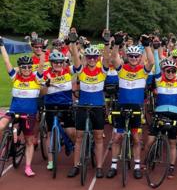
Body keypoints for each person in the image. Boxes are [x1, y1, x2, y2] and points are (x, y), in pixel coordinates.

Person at [107, 33, 154, 180]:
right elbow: (114, 58)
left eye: (136, 56)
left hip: (136, 108)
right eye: (131, 56)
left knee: (136, 138)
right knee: (117, 138)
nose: (134, 58)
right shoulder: (122, 69)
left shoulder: (143, 70)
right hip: (121, 107)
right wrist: (117, 44)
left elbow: (151, 62)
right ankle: (114, 165)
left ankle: (137, 166)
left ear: (140, 58)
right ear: (128, 57)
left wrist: (147, 46)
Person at [0, 37, 44, 177]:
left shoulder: (36, 78)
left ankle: (28, 167)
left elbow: (42, 63)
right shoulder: (16, 77)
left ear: (32, 67)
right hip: (13, 111)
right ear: (20, 68)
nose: (26, 69)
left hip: (29, 115)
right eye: (23, 67)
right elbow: (7, 61)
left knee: (29, 141)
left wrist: (41, 50)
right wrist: (1, 45)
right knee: (1, 126)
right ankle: (10, 139)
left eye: (29, 67)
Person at [69, 32, 110, 178]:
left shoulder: (102, 70)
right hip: (82, 106)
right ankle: (76, 165)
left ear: (97, 59)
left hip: (98, 107)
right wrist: (73, 43)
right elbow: (75, 57)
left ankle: (99, 167)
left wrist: (106, 44)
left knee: (98, 137)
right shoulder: (81, 70)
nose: (92, 59)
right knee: (79, 137)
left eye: (94, 57)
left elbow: (107, 58)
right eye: (89, 57)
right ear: (86, 58)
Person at [147, 57, 177, 179]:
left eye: (173, 71)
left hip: (174, 113)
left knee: (172, 142)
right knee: (149, 141)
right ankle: (146, 159)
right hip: (159, 113)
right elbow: (157, 65)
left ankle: (172, 167)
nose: (170, 73)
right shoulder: (159, 80)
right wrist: (157, 50)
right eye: (167, 71)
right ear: (163, 71)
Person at [42, 50, 77, 175]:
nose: (58, 64)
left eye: (60, 62)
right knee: (50, 133)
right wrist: (46, 85)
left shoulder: (68, 70)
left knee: (71, 132)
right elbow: (42, 93)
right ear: (51, 63)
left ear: (63, 62)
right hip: (51, 106)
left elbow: (78, 65)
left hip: (66, 105)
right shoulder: (46, 74)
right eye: (55, 62)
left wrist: (74, 47)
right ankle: (51, 161)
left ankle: (76, 154)